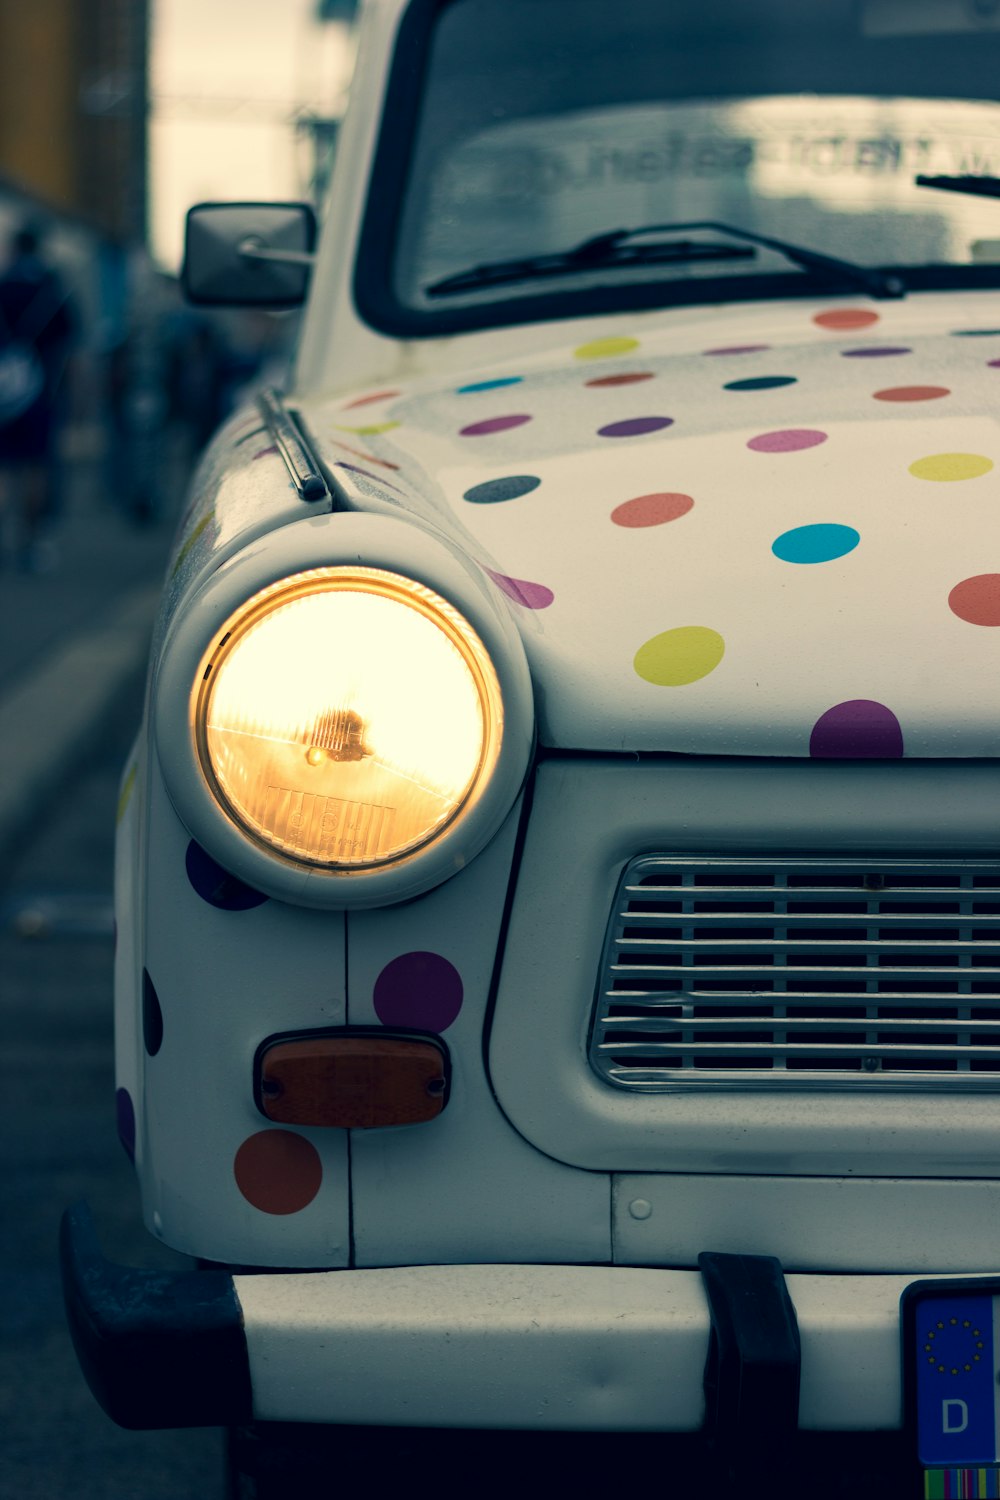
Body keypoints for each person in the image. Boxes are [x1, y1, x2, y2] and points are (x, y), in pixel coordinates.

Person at [0, 221, 77, 569]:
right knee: (35, 466)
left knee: (5, 468)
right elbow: (71, 347)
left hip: (3, 393)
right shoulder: (53, 290)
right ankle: (32, 543)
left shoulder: (4, 286)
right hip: (39, 392)